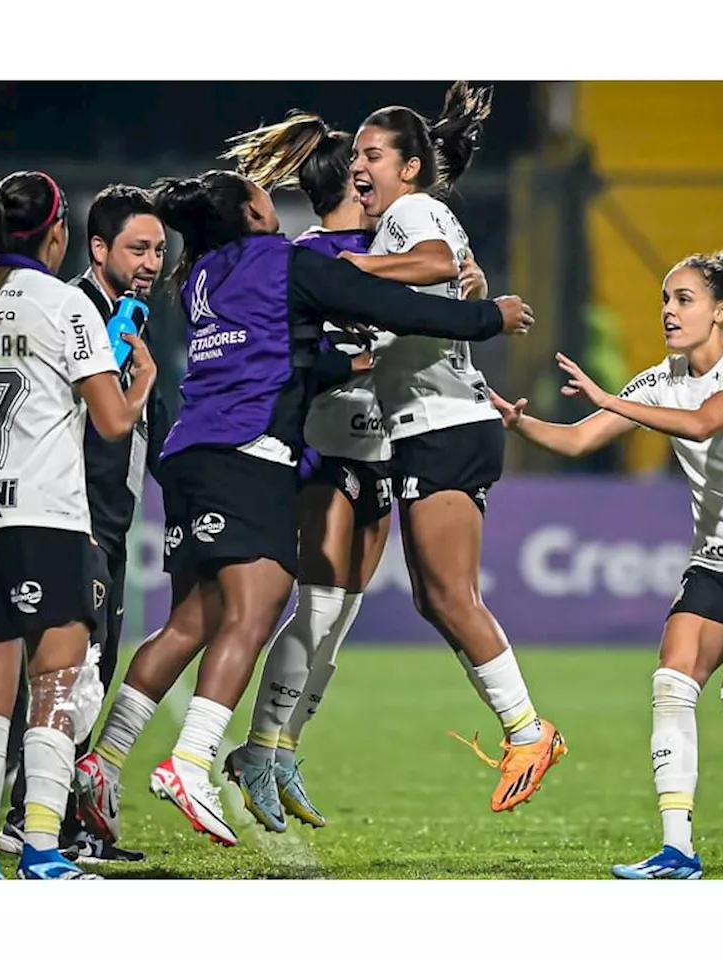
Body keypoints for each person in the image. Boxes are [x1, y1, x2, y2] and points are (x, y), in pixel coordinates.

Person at [77, 167, 534, 849]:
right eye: (267, 200)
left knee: (192, 619)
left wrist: (348, 366)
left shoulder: (203, 275)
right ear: (255, 214)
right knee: (258, 606)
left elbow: (276, 357)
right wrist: (487, 317)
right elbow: (397, 308)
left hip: (190, 453)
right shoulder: (283, 261)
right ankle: (192, 762)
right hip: (248, 453)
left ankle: (102, 761)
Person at [491, 250, 723, 880]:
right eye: (665, 300)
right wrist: (521, 424)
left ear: (721, 311)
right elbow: (577, 439)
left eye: (683, 300)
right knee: (671, 686)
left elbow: (704, 424)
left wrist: (608, 400)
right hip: (715, 562)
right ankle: (678, 851)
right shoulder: (658, 380)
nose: (669, 312)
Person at [0, 170, 157, 880]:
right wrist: (138, 375)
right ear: (57, 234)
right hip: (44, 519)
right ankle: (46, 851)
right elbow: (114, 423)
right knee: (57, 686)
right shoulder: (65, 305)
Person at [340, 82, 566, 813]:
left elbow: (438, 262)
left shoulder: (410, 212)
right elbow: (457, 284)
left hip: (442, 425)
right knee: (439, 600)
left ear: (409, 168)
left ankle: (529, 731)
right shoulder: (399, 221)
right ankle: (525, 730)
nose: (357, 168)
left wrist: (342, 275)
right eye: (354, 157)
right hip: (439, 420)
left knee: (449, 596)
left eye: (372, 155)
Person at [217, 112, 395, 832]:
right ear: (353, 182)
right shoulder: (309, 257)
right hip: (327, 448)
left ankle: (285, 749)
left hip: (383, 447)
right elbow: (300, 361)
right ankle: (258, 748)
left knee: (342, 617)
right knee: (319, 606)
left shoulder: (391, 247)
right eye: (365, 167)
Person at [0, 183, 168, 864]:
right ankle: (27, 819)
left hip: (108, 519)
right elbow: (85, 423)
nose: (153, 260)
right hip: (80, 518)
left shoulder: (125, 314)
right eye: (138, 247)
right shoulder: (80, 314)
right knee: (69, 674)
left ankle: (65, 822)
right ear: (97, 249)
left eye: (159, 248)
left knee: (86, 673)